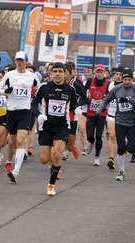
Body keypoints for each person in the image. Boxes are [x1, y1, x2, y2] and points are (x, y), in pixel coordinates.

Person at [31, 62, 77, 196]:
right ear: (50, 74)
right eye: (55, 71)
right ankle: (55, 162)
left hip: (62, 126)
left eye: (60, 71)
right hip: (46, 126)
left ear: (65, 74)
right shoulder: (44, 88)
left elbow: (74, 104)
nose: (57, 74)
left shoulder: (70, 89)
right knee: (44, 159)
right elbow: (34, 103)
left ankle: (51, 185)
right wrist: (39, 115)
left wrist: (77, 110)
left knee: (57, 154)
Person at [0, 51, 41, 183]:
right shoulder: (9, 75)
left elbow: (40, 90)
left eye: (22, 60)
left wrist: (35, 102)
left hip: (25, 112)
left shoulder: (32, 76)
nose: (19, 63)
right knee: (13, 143)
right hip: (11, 112)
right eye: (17, 60)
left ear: (26, 61)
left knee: (20, 141)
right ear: (15, 62)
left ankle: (16, 171)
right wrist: (5, 91)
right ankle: (10, 160)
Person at [96, 67, 135, 180]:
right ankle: (121, 171)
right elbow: (106, 100)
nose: (127, 82)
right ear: (122, 79)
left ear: (132, 79)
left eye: (129, 80)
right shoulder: (117, 89)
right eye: (125, 79)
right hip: (120, 122)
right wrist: (99, 111)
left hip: (133, 122)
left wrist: (129, 100)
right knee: (121, 148)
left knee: (131, 149)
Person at [84, 64, 109, 166]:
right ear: (95, 73)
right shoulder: (90, 81)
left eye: (101, 72)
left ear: (104, 73)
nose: (99, 74)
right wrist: (85, 100)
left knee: (99, 136)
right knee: (90, 136)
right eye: (97, 72)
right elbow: (83, 91)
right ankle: (91, 142)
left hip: (102, 113)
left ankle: (97, 157)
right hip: (90, 112)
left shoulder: (108, 83)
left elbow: (110, 96)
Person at [105, 66, 124, 170]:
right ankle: (111, 159)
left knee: (122, 140)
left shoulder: (127, 86)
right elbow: (106, 98)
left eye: (120, 74)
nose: (118, 76)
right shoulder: (110, 85)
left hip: (123, 116)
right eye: (116, 74)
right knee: (111, 135)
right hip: (111, 114)